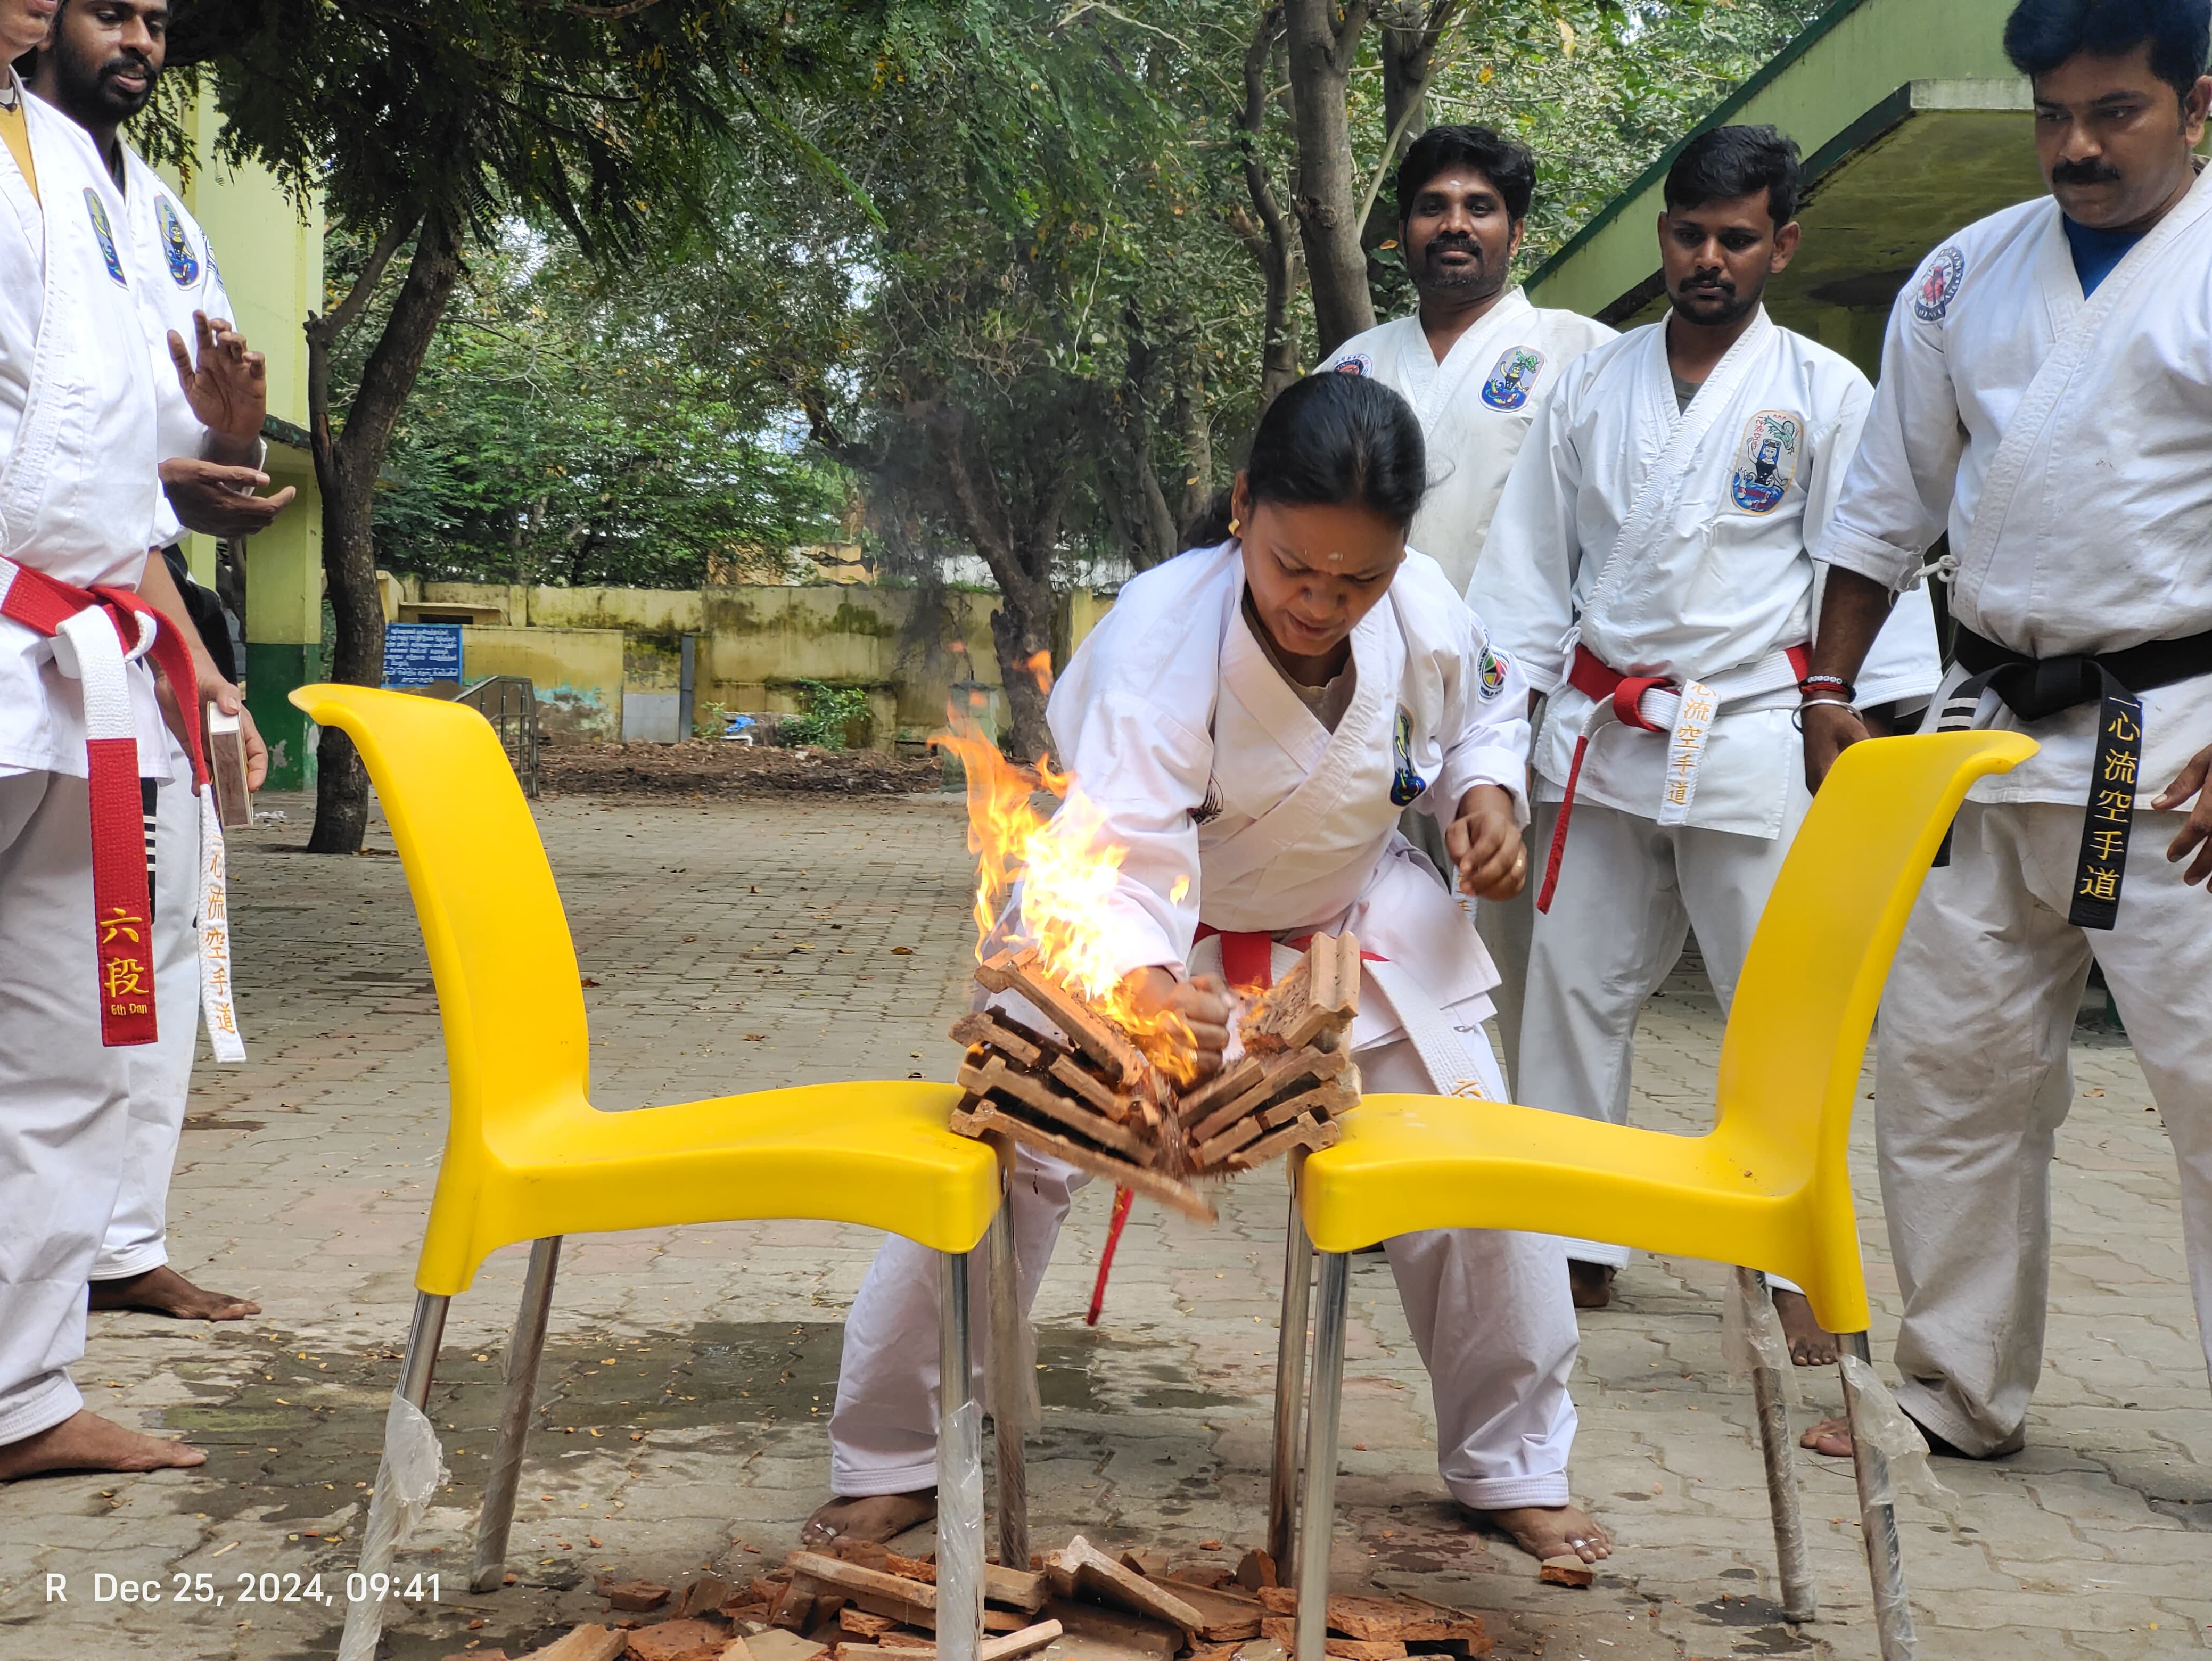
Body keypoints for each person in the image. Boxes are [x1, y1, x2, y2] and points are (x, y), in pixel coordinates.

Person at [809, 374, 1609, 1566]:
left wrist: (1483, 795)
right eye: (1295, 568)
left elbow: (1481, 708)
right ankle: (894, 1452)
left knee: (1468, 1144)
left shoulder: (1422, 604)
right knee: (1012, 1139)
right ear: (1242, 510)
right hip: (1146, 924)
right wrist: (1136, 987)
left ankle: (1511, 1461)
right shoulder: (1160, 627)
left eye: (1358, 580)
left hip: (1346, 929)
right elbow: (1118, 848)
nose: (1323, 603)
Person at [1799, 0, 2212, 1459]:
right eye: (2054, 115)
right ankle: (1953, 1391)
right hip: (1981, 732)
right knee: (1952, 1070)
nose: (2080, 146)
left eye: (2118, 111)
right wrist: (1828, 688)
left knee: (2211, 1091)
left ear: (2198, 101)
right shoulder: (1963, 270)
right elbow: (1882, 504)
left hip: (2174, 743)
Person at [1470, 125, 1940, 1358]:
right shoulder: (1590, 384)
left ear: (1782, 243)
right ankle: (1570, 1239)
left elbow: (1869, 567)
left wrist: (1867, 737)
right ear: (1662, 235)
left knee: (1772, 1006)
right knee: (1573, 993)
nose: (1709, 259)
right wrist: (1495, 740)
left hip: (1748, 730)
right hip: (1600, 727)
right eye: (1689, 234)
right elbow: (1523, 574)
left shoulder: (1825, 394)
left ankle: (1794, 1259)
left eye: (1738, 238)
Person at [30, 0, 277, 1326]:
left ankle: (122, 1243)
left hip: (129, 619)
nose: (140, 41)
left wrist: (228, 443)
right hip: (50, 618)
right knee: (63, 987)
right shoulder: (26, 174)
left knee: (151, 940)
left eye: (158, 21)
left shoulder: (155, 208)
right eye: (108, 12)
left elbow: (164, 459)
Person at [0, 0, 210, 1479]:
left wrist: (183, 638)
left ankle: (18, 1397)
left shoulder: (71, 163)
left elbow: (133, 441)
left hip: (81, 664)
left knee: (75, 1042)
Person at [1317, 125, 1615, 1088]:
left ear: (1515, 231)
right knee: (1362, 931)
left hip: (1516, 698)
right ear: (1401, 230)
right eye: (1433, 207)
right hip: (1366, 701)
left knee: (1528, 951)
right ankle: (1371, 1159)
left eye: (1479, 207)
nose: (1455, 225)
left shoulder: (1581, 354)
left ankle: (1521, 1177)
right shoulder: (1352, 366)